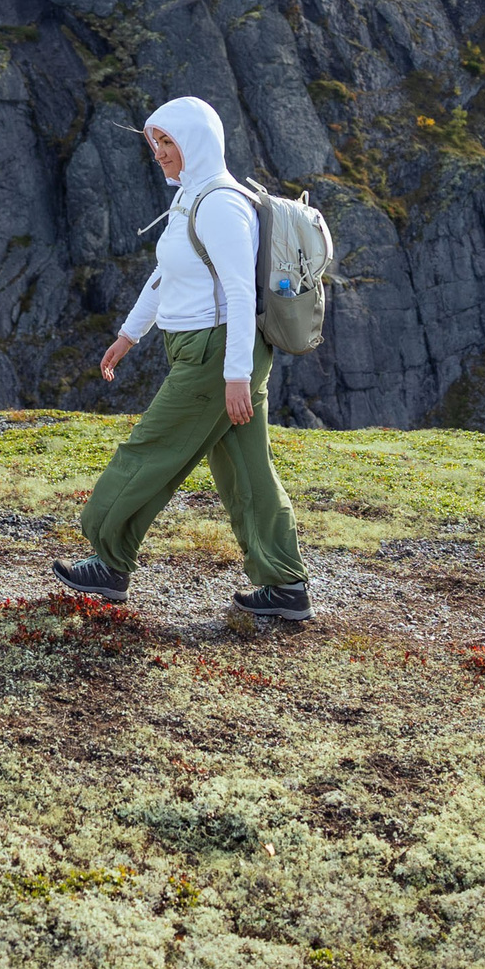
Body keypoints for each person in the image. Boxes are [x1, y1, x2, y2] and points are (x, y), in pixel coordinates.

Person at [53, 96, 312, 621]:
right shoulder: (192, 199)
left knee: (148, 451)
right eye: (155, 142)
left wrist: (235, 376)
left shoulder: (219, 203)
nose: (160, 153)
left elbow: (240, 293)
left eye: (168, 141)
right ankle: (285, 586)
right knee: (245, 470)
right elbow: (167, 274)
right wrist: (128, 336)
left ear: (197, 141)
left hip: (216, 355)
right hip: (208, 350)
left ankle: (108, 562)